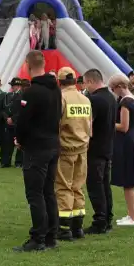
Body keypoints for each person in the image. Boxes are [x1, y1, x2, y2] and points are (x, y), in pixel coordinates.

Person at [12, 50, 62, 252]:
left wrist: (20, 139)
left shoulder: (32, 92)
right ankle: (51, 235)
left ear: (27, 65)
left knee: (35, 194)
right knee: (48, 191)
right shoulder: (56, 89)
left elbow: (23, 121)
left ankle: (37, 238)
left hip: (36, 147)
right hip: (52, 144)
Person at [55, 67, 92, 240]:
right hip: (82, 149)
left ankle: (64, 228)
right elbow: (89, 126)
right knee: (78, 186)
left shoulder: (61, 99)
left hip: (65, 149)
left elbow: (57, 125)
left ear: (59, 81)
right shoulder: (85, 100)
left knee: (63, 187)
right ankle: (78, 227)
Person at [109, 73, 134, 226]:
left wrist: (107, 124)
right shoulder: (133, 99)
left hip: (126, 142)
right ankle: (131, 215)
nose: (112, 91)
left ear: (118, 87)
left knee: (128, 181)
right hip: (132, 140)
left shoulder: (125, 103)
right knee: (128, 181)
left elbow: (123, 126)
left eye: (112, 88)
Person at [84, 69, 116, 234]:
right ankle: (107, 218)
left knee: (95, 185)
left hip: (95, 148)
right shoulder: (111, 97)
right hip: (107, 146)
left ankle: (100, 221)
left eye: (85, 83)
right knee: (104, 185)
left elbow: (89, 125)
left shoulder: (94, 100)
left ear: (90, 81)